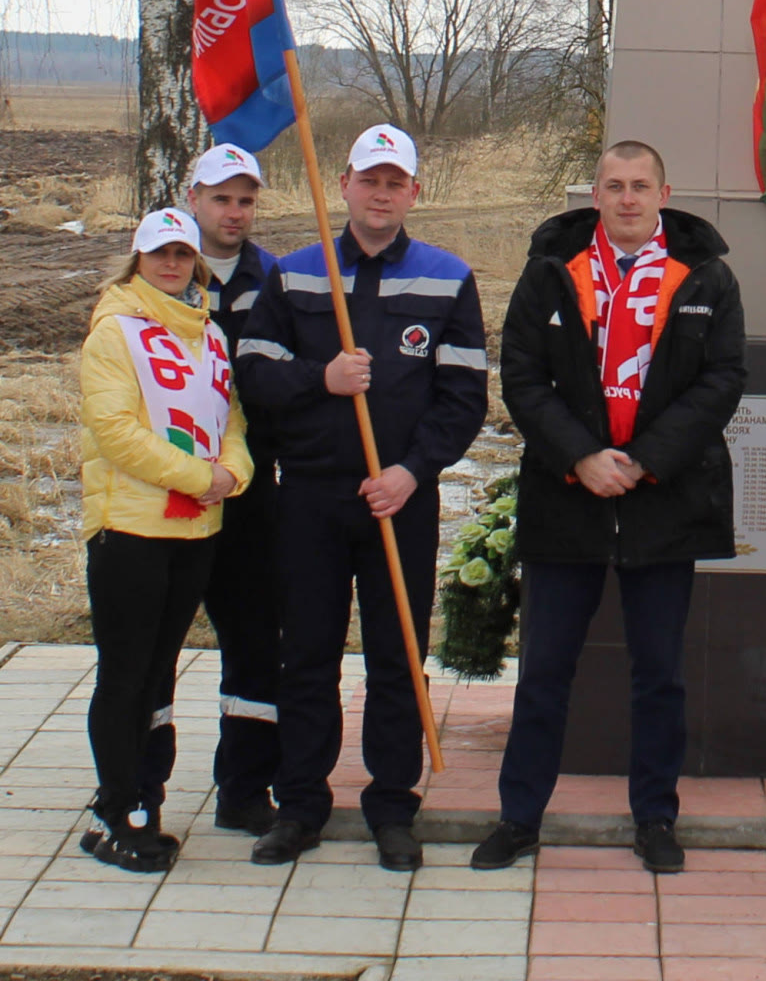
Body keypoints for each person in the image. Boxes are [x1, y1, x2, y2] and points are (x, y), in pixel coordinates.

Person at [474, 141, 746, 876]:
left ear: (665, 192)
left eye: (640, 186)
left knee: (659, 674)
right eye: (613, 186)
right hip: (568, 501)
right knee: (544, 672)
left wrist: (648, 460)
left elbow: (722, 380)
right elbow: (523, 380)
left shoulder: (708, 278)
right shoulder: (550, 273)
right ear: (593, 194)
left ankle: (656, 817)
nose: (627, 199)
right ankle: (519, 816)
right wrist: (581, 459)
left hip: (665, 502)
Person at [236, 124, 487, 872]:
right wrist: (323, 380)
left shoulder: (448, 278)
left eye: (395, 182)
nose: (381, 194)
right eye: (369, 179)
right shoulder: (296, 275)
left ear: (415, 192)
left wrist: (413, 470)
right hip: (311, 498)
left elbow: (464, 394)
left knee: (396, 656)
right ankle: (302, 802)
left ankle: (391, 805)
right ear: (342, 183)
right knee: (307, 652)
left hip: (399, 501)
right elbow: (253, 374)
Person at [80, 208, 252, 872]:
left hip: (195, 528)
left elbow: (229, 417)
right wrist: (199, 474)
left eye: (183, 254)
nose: (172, 264)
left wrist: (231, 474)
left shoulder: (208, 333)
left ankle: (121, 806)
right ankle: (119, 807)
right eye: (160, 254)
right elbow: (116, 432)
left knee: (157, 672)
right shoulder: (114, 330)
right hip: (130, 528)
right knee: (125, 675)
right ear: (138, 258)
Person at [137, 143, 280, 836]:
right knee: (152, 645)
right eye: (221, 198)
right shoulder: (158, 285)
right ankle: (139, 783)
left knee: (255, 639)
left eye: (245, 199)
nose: (233, 212)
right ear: (192, 200)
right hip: (164, 495)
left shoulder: (278, 281)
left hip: (248, 490)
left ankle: (245, 788)